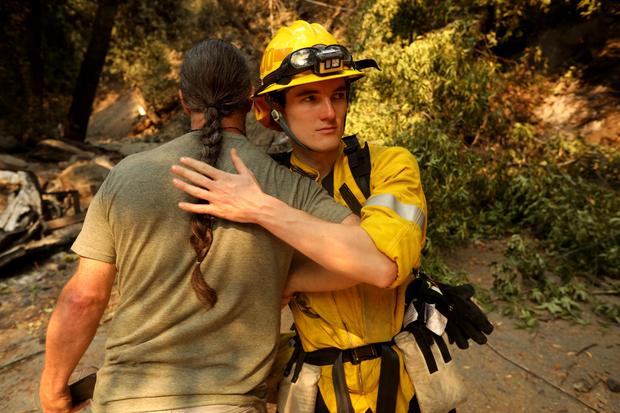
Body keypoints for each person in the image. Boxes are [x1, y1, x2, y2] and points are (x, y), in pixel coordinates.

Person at [38, 39, 399, 413]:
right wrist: (291, 275)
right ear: (250, 97)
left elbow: (84, 297)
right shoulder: (287, 186)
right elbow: (370, 261)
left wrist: (53, 388)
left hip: (125, 401)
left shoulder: (125, 177)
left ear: (182, 99)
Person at [172, 21, 430, 413]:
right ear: (273, 110)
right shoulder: (268, 179)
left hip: (402, 387)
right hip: (318, 391)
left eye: (338, 95)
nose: (330, 113)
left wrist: (270, 232)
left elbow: (383, 268)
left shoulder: (390, 166)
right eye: (309, 98)